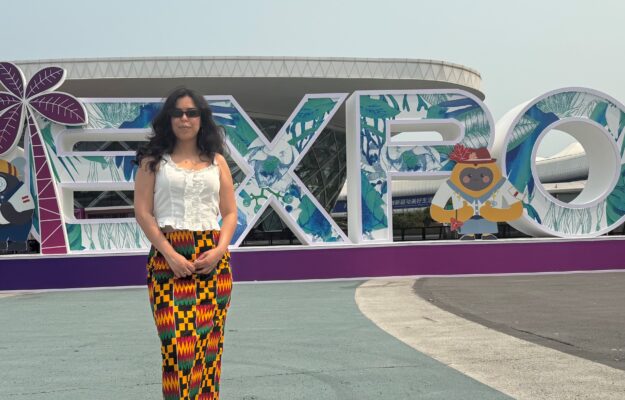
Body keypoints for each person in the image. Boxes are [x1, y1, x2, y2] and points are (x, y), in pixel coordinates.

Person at [134, 87, 237, 400]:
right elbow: (143, 213)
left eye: (191, 112)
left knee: (208, 347)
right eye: (177, 113)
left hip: (212, 259)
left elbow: (230, 213)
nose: (184, 119)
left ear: (201, 118)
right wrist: (170, 255)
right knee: (177, 349)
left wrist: (219, 251)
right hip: (168, 258)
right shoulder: (153, 162)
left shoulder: (217, 162)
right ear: (168, 119)